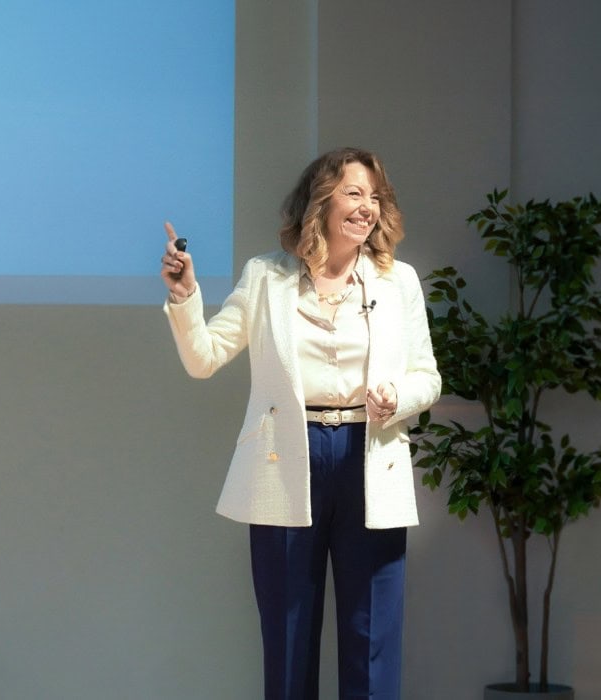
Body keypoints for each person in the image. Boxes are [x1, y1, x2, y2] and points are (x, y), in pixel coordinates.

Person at [160, 147, 441, 700]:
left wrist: (397, 398)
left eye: (375, 197)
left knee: (373, 636)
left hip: (369, 454)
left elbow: (426, 376)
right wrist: (186, 295)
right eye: (354, 193)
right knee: (288, 637)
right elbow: (204, 358)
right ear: (320, 201)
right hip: (287, 458)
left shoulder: (398, 280)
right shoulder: (266, 276)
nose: (367, 207)